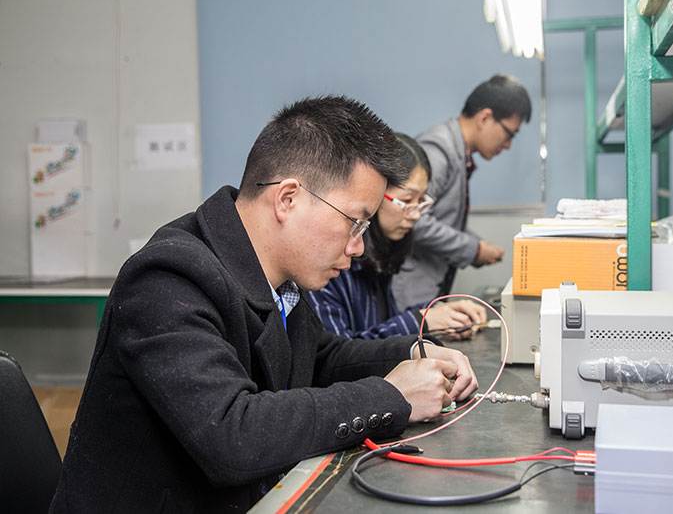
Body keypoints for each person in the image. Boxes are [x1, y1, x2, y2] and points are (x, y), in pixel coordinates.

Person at [50, 97, 477, 513]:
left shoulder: (278, 275)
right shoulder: (168, 277)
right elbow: (231, 434)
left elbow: (320, 356)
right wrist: (391, 395)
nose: (359, 246)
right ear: (288, 198)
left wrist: (412, 352)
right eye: (354, 222)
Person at [308, 133, 486, 341]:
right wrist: (421, 321)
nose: (416, 214)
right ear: (373, 195)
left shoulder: (382, 254)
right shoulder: (329, 263)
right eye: (407, 199)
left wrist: (439, 314)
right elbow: (340, 357)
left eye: (422, 201)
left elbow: (382, 325)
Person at [392, 74, 532, 310]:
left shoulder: (458, 153)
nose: (508, 145)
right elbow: (413, 218)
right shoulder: (439, 150)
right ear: (485, 117)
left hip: (427, 288)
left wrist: (477, 243)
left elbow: (442, 218)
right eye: (509, 133)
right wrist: (473, 249)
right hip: (409, 291)